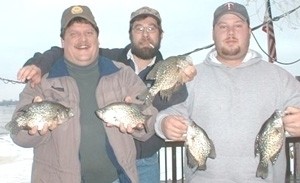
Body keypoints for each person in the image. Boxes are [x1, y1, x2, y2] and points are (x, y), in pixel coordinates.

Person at [16, 6, 196, 183]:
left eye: (89, 32)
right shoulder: (41, 80)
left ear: (97, 38)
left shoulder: (122, 73)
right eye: (73, 34)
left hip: (125, 173)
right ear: (63, 41)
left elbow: (149, 120)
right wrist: (35, 129)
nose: (82, 39)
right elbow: (18, 135)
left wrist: (139, 124)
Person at [155, 2, 300, 183]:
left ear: (249, 31)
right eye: (223, 26)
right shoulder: (191, 77)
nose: (230, 32)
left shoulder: (280, 77)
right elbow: (165, 114)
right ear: (213, 33)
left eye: (238, 26)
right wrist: (164, 124)